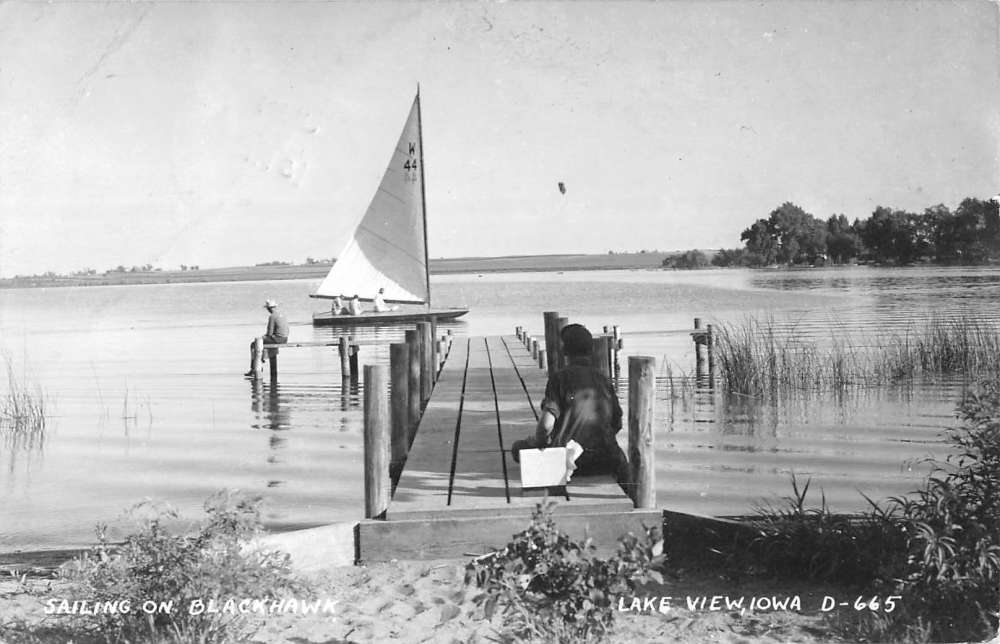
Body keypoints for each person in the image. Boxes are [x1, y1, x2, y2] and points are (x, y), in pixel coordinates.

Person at [511, 323, 629, 486]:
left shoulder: (559, 379)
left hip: (567, 463)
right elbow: (617, 423)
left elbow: (546, 426)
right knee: (624, 464)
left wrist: (539, 444)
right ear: (591, 350)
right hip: (605, 460)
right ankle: (634, 499)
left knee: (518, 448)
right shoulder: (603, 380)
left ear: (564, 351)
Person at [245, 299, 289, 376]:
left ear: (269, 308)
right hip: (285, 339)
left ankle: (253, 368)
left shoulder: (272, 316)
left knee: (253, 344)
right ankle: (261, 358)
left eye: (267, 309)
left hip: (277, 339)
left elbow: (269, 333)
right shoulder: (282, 314)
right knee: (262, 342)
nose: (268, 310)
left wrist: (263, 337)